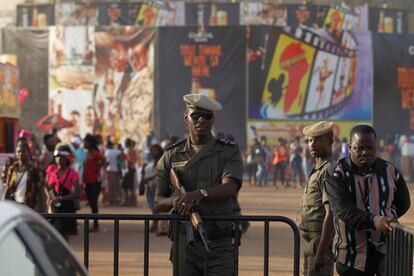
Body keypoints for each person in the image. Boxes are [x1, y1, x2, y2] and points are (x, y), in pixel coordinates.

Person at [154, 94, 243, 276]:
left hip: (220, 243)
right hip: (184, 244)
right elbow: (158, 201)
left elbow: (230, 187)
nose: (202, 120)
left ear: (213, 119)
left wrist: (199, 194)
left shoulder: (227, 151)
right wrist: (176, 202)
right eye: (196, 116)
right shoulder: (171, 155)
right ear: (186, 117)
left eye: (207, 116)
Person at [325, 124, 411, 276]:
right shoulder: (336, 173)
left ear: (375, 147)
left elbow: (403, 203)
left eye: (370, 148)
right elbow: (342, 210)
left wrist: (386, 216)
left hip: (386, 249)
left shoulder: (391, 171)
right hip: (351, 254)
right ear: (350, 147)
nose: (365, 152)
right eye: (359, 148)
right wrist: (375, 220)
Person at [299, 121, 336, 276]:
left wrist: (321, 251)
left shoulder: (328, 170)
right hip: (313, 243)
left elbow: (331, 214)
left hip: (320, 242)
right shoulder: (317, 168)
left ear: (330, 141)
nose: (312, 144)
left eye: (319, 140)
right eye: (310, 140)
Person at [45, 143, 80, 241]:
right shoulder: (51, 170)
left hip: (67, 208)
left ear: (67, 158)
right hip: (52, 207)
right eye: (57, 157)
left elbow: (78, 193)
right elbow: (46, 185)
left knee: (64, 237)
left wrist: (60, 198)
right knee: (51, 235)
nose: (59, 160)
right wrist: (49, 197)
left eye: (62, 157)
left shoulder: (72, 173)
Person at [4, 140, 43, 211]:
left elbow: (39, 189)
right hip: (14, 205)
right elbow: (8, 188)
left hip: (29, 205)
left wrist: (41, 208)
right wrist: (3, 204)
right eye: (18, 151)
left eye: (23, 151)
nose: (20, 154)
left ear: (28, 153)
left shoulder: (34, 169)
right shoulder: (13, 168)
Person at [140, 144, 164, 234]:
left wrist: (149, 178)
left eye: (154, 150)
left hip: (158, 187)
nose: (152, 152)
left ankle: (154, 225)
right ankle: (155, 225)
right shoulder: (150, 163)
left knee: (156, 208)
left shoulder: (162, 162)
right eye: (151, 150)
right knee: (153, 208)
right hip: (150, 187)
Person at [83, 134, 104, 232]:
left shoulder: (95, 153)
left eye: (85, 142)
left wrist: (97, 169)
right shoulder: (88, 152)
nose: (84, 143)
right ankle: (95, 224)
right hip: (88, 180)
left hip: (94, 180)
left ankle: (96, 225)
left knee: (93, 203)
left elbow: (103, 160)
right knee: (92, 203)